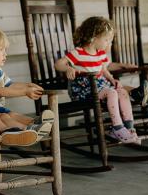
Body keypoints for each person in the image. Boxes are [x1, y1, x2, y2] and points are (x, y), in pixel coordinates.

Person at [54, 16, 140, 144]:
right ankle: (117, 128)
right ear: (93, 38)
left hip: (99, 88)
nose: (108, 44)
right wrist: (67, 68)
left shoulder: (100, 54)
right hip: (84, 92)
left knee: (121, 91)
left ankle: (129, 128)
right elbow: (58, 64)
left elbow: (104, 70)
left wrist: (112, 79)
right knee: (112, 92)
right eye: (106, 40)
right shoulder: (78, 53)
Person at [0, 27, 54, 138]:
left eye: (5, 50)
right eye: (1, 49)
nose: (5, 54)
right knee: (5, 117)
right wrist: (25, 92)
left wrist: (27, 85)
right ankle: (26, 130)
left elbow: (10, 85)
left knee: (12, 114)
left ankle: (36, 122)